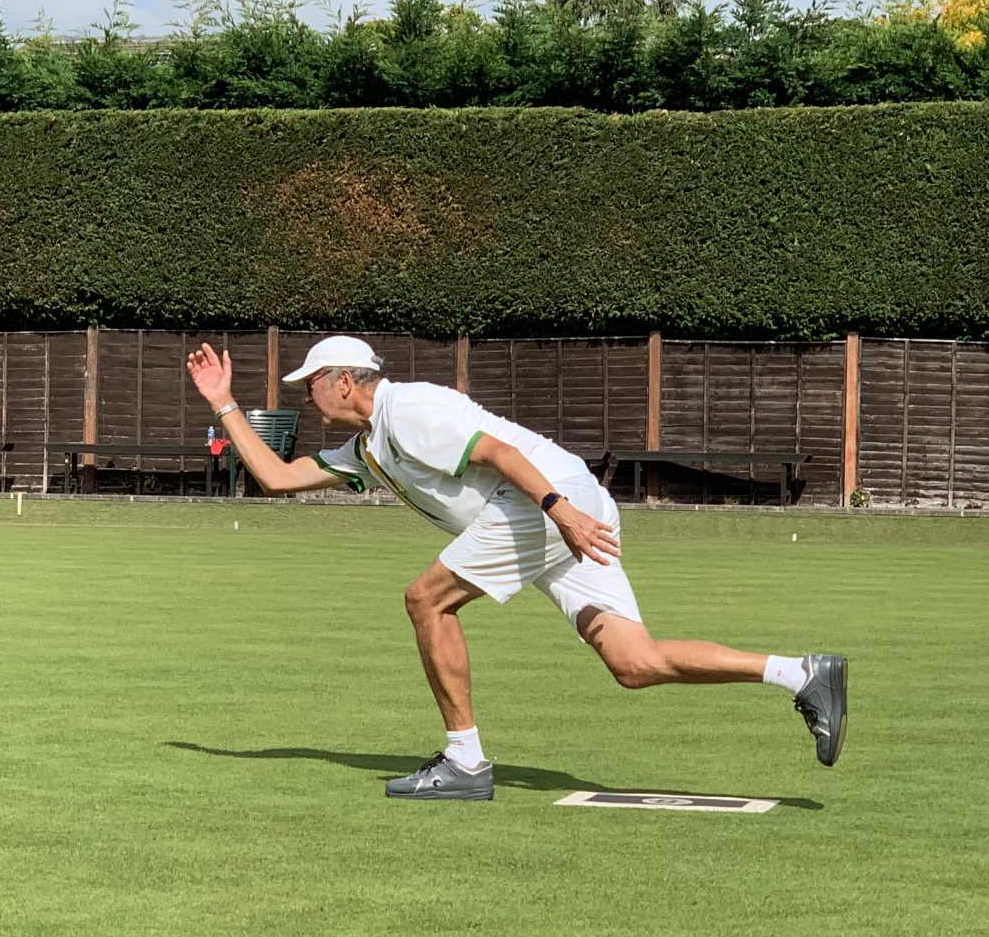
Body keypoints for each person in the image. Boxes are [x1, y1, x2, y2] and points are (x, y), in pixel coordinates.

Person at [185, 334, 848, 800]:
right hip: (559, 504)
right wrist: (222, 402)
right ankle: (802, 673)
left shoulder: (408, 408)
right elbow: (273, 476)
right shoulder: (370, 446)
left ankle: (465, 761)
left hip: (541, 501)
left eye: (312, 386)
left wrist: (558, 509)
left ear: (345, 380)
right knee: (634, 663)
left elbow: (498, 453)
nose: (308, 399)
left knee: (426, 600)